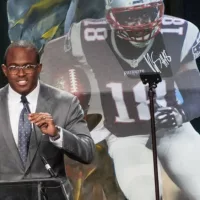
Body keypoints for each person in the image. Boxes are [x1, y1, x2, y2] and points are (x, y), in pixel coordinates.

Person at [41, 0, 200, 199]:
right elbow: (50, 56)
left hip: (175, 132)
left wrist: (180, 113)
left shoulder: (178, 33)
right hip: (126, 136)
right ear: (111, 17)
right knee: (145, 194)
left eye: (146, 14)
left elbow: (195, 89)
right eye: (130, 16)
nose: (140, 24)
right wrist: (69, 88)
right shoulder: (87, 37)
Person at [0, 40, 95, 200]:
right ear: (5, 70)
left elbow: (87, 152)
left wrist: (57, 134)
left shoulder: (65, 102)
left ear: (39, 68)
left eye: (28, 67)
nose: (21, 73)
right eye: (14, 67)